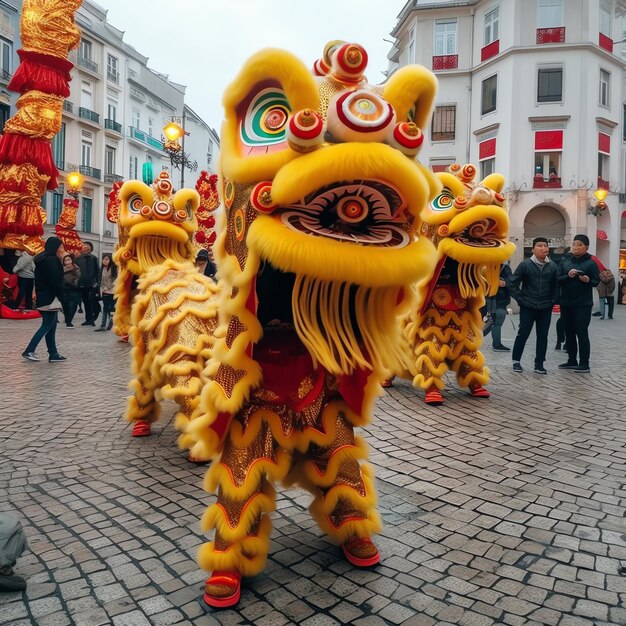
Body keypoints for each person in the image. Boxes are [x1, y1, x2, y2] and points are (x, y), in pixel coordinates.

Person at [509, 237, 559, 374]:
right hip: (528, 306)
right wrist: (521, 299)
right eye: (539, 245)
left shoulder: (553, 266)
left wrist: (552, 301)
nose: (543, 248)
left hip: (545, 307)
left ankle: (539, 364)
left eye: (545, 245)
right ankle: (516, 361)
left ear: (548, 249)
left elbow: (556, 287)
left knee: (543, 336)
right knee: (523, 333)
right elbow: (512, 283)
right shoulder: (525, 264)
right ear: (533, 249)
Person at [557, 234, 600, 373]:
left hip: (583, 304)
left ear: (586, 247)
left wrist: (588, 280)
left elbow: (596, 281)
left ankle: (584, 363)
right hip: (566, 303)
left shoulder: (591, 263)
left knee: (581, 333)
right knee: (568, 332)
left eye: (580, 244)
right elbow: (558, 279)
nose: (576, 247)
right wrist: (567, 276)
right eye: (574, 244)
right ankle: (571, 360)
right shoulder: (565, 261)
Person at [22, 236, 67, 362]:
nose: (62, 248)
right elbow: (56, 281)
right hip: (50, 297)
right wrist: (63, 298)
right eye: (61, 245)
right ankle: (29, 350)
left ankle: (53, 353)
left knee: (51, 326)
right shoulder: (52, 260)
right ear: (55, 247)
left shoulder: (43, 259)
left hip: (45, 296)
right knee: (47, 325)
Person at [483, 262, 512, 351]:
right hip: (494, 299)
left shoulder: (504, 267)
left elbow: (511, 282)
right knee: (496, 320)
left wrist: (504, 283)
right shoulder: (487, 266)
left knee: (492, 321)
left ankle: (475, 338)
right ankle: (496, 344)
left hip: (495, 298)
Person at [75, 241, 100, 326]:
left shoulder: (94, 258)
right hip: (81, 284)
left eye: (88, 247)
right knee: (86, 302)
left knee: (93, 302)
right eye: (85, 246)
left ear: (91, 249)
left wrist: (96, 282)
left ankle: (93, 318)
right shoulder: (78, 258)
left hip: (92, 284)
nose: (86, 248)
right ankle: (89, 319)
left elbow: (97, 271)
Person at [96, 254, 117, 331]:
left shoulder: (114, 268)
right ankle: (103, 325)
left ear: (110, 260)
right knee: (105, 308)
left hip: (112, 291)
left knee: (111, 308)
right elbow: (101, 280)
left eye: (107, 259)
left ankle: (109, 321)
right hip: (104, 291)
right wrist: (101, 288)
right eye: (104, 259)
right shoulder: (102, 268)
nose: (105, 261)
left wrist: (107, 287)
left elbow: (115, 280)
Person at [61, 254, 81, 328]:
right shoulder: (61, 269)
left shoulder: (76, 268)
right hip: (64, 288)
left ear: (72, 260)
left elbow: (79, 276)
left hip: (73, 288)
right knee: (66, 305)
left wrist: (75, 281)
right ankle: (67, 319)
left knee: (73, 305)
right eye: (65, 260)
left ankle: (69, 321)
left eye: (69, 259)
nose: (67, 262)